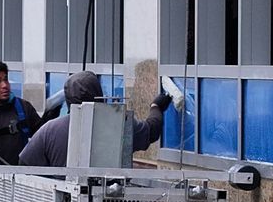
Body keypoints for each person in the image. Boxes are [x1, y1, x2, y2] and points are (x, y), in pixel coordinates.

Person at [18, 71, 170, 167]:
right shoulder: (118, 125)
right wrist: (156, 106)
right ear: (99, 94)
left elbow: (25, 162)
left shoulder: (50, 130)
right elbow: (151, 131)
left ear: (68, 99)